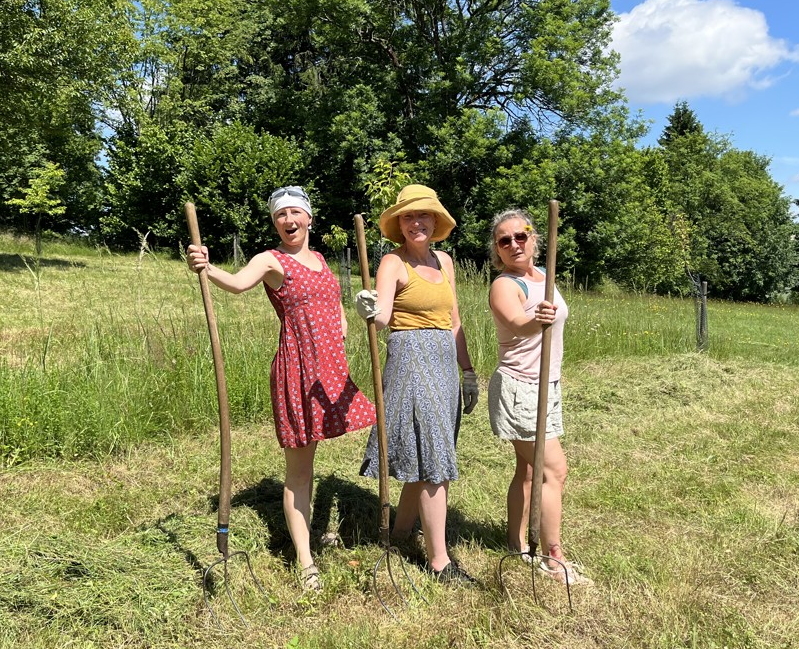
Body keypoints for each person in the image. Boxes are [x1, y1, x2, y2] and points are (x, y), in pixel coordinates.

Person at [187, 186, 376, 592]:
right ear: (275, 223)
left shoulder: (321, 259)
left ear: (309, 218)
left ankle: (314, 533)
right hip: (300, 370)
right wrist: (206, 267)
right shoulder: (270, 260)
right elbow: (238, 283)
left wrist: (344, 318)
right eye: (280, 215)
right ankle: (306, 561)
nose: (289, 221)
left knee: (333, 447)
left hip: (330, 372)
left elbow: (332, 301)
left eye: (295, 213)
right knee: (300, 471)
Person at [354, 184, 480, 586]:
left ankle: (401, 534)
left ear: (435, 220)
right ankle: (440, 562)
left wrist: (468, 371)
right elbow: (383, 318)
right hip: (410, 360)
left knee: (427, 452)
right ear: (399, 224)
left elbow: (454, 322)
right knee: (434, 458)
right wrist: (369, 310)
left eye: (423, 215)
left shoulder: (445, 262)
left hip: (443, 365)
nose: (416, 222)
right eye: (408, 216)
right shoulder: (393, 262)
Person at [486, 208, 591, 586]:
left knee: (529, 470)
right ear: (497, 250)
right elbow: (518, 323)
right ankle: (553, 557)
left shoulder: (545, 277)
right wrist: (537, 320)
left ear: (534, 238)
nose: (514, 244)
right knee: (554, 471)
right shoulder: (504, 285)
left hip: (548, 385)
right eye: (504, 240)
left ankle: (517, 545)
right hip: (520, 388)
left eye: (521, 235)